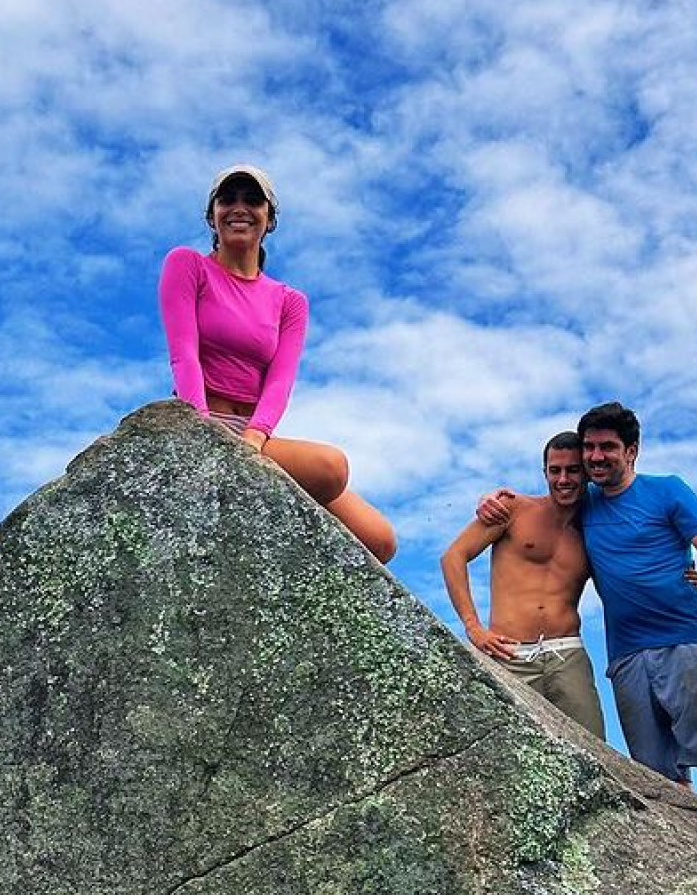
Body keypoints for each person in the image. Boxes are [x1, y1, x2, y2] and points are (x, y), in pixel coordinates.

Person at [480, 400, 697, 829]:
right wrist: (493, 500)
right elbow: (540, 503)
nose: (595, 456)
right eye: (589, 447)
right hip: (627, 657)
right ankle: (691, 860)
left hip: (685, 641)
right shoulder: (584, 503)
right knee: (660, 779)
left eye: (607, 447)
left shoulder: (667, 491)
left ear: (631, 451)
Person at [159, 164, 397, 562]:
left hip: (255, 437)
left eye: (253, 200)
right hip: (203, 423)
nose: (239, 207)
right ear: (211, 217)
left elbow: (280, 380)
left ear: (269, 219)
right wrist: (201, 432)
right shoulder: (188, 265)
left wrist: (254, 440)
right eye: (227, 199)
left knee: (380, 540)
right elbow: (183, 354)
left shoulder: (289, 301)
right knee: (331, 467)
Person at [438, 432, 606, 739]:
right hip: (509, 654)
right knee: (500, 746)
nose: (563, 479)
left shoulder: (596, 528)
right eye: (555, 470)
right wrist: (473, 628)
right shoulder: (514, 508)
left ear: (586, 472)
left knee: (594, 751)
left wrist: (684, 575)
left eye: (572, 470)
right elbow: (453, 557)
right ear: (545, 473)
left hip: (567, 654)